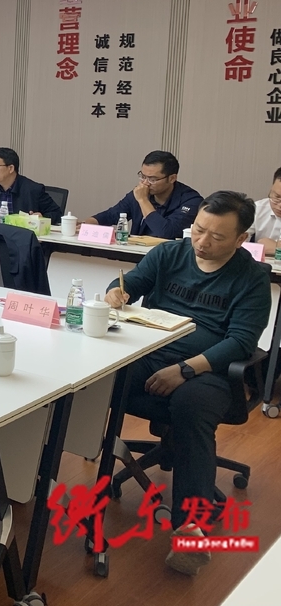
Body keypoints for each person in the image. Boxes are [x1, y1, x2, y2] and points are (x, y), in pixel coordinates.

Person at [103, 191, 270, 575]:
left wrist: (186, 370)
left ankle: (190, 532)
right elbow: (132, 283)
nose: (202, 242)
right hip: (150, 355)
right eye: (198, 230)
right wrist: (117, 291)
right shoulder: (169, 254)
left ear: (241, 239)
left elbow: (241, 341)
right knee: (96, 380)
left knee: (191, 407)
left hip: (209, 371)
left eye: (217, 236)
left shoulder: (251, 278)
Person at [85, 150, 202, 240]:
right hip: (135, 254)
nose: (145, 183)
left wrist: (143, 201)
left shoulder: (191, 201)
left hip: (167, 259)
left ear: (172, 178)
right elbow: (112, 215)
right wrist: (88, 223)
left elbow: (166, 232)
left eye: (152, 179)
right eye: (143, 176)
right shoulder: (140, 193)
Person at [0, 147, 61, 223]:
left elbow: (57, 214)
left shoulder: (33, 189)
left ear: (11, 168)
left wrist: (42, 217)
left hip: (21, 236)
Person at [248, 166, 281, 254]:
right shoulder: (257, 209)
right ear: (271, 190)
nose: (280, 206)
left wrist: (276, 248)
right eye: (277, 197)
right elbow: (237, 241)